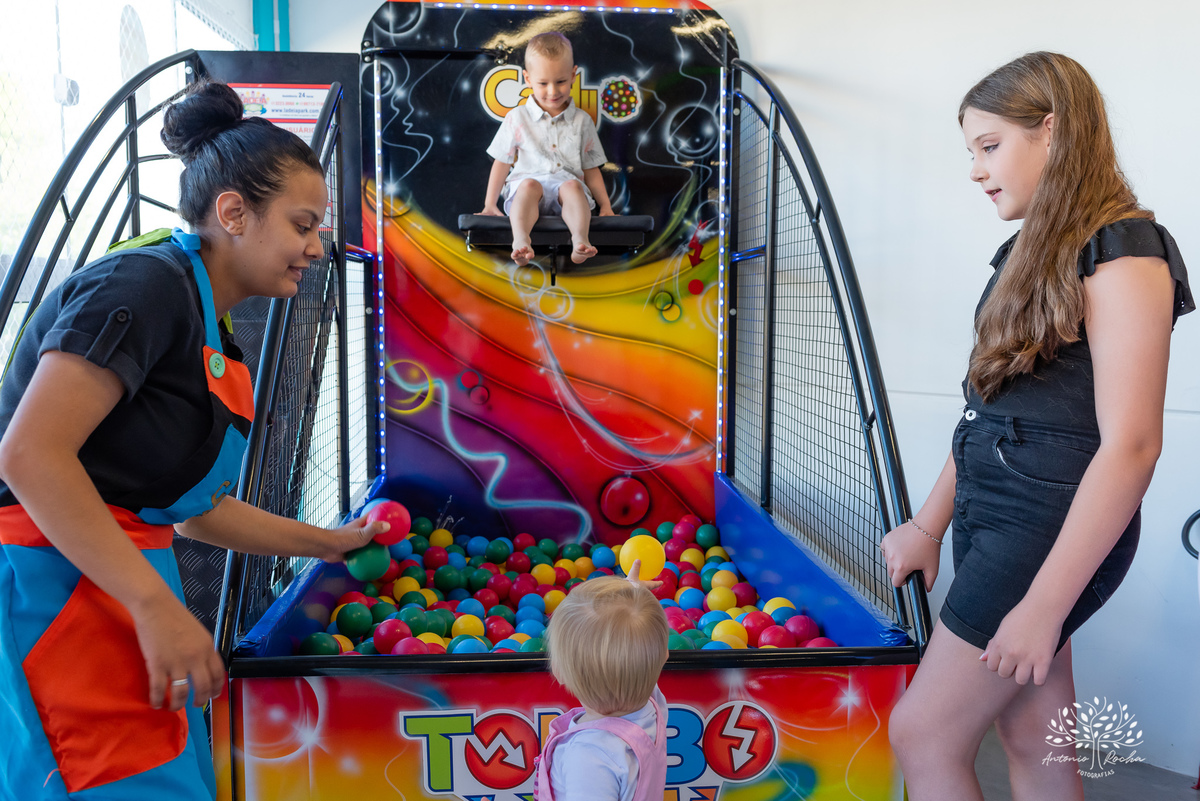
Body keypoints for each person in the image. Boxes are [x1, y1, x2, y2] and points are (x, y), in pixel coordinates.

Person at [0, 80, 389, 801]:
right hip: (52, 583)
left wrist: (326, 543)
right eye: (303, 224)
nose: (317, 245)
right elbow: (29, 455)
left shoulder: (218, 332)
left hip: (120, 577)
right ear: (233, 213)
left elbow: (195, 509)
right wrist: (154, 605)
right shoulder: (143, 286)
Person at [882, 52, 1194, 800]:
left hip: (1044, 529)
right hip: (1002, 515)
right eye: (972, 152)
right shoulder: (1030, 253)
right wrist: (929, 524)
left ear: (1050, 131)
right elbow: (990, 405)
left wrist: (1045, 604)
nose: (976, 170)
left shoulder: (1124, 251)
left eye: (990, 146)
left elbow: (1133, 444)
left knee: (922, 734)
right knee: (1031, 735)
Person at [479, 31, 615, 267]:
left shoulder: (582, 121)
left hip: (566, 187)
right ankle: (521, 241)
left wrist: (606, 206)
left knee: (573, 186)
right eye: (543, 83)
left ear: (573, 75)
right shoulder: (517, 117)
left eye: (561, 81)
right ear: (528, 78)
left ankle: (580, 241)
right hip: (528, 187)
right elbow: (501, 162)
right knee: (528, 185)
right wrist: (490, 204)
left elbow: (591, 168)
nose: (553, 91)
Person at [537, 561, 669, 801]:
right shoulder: (652, 706)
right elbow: (635, 651)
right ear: (664, 657)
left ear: (559, 672)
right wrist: (633, 596)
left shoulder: (589, 756)